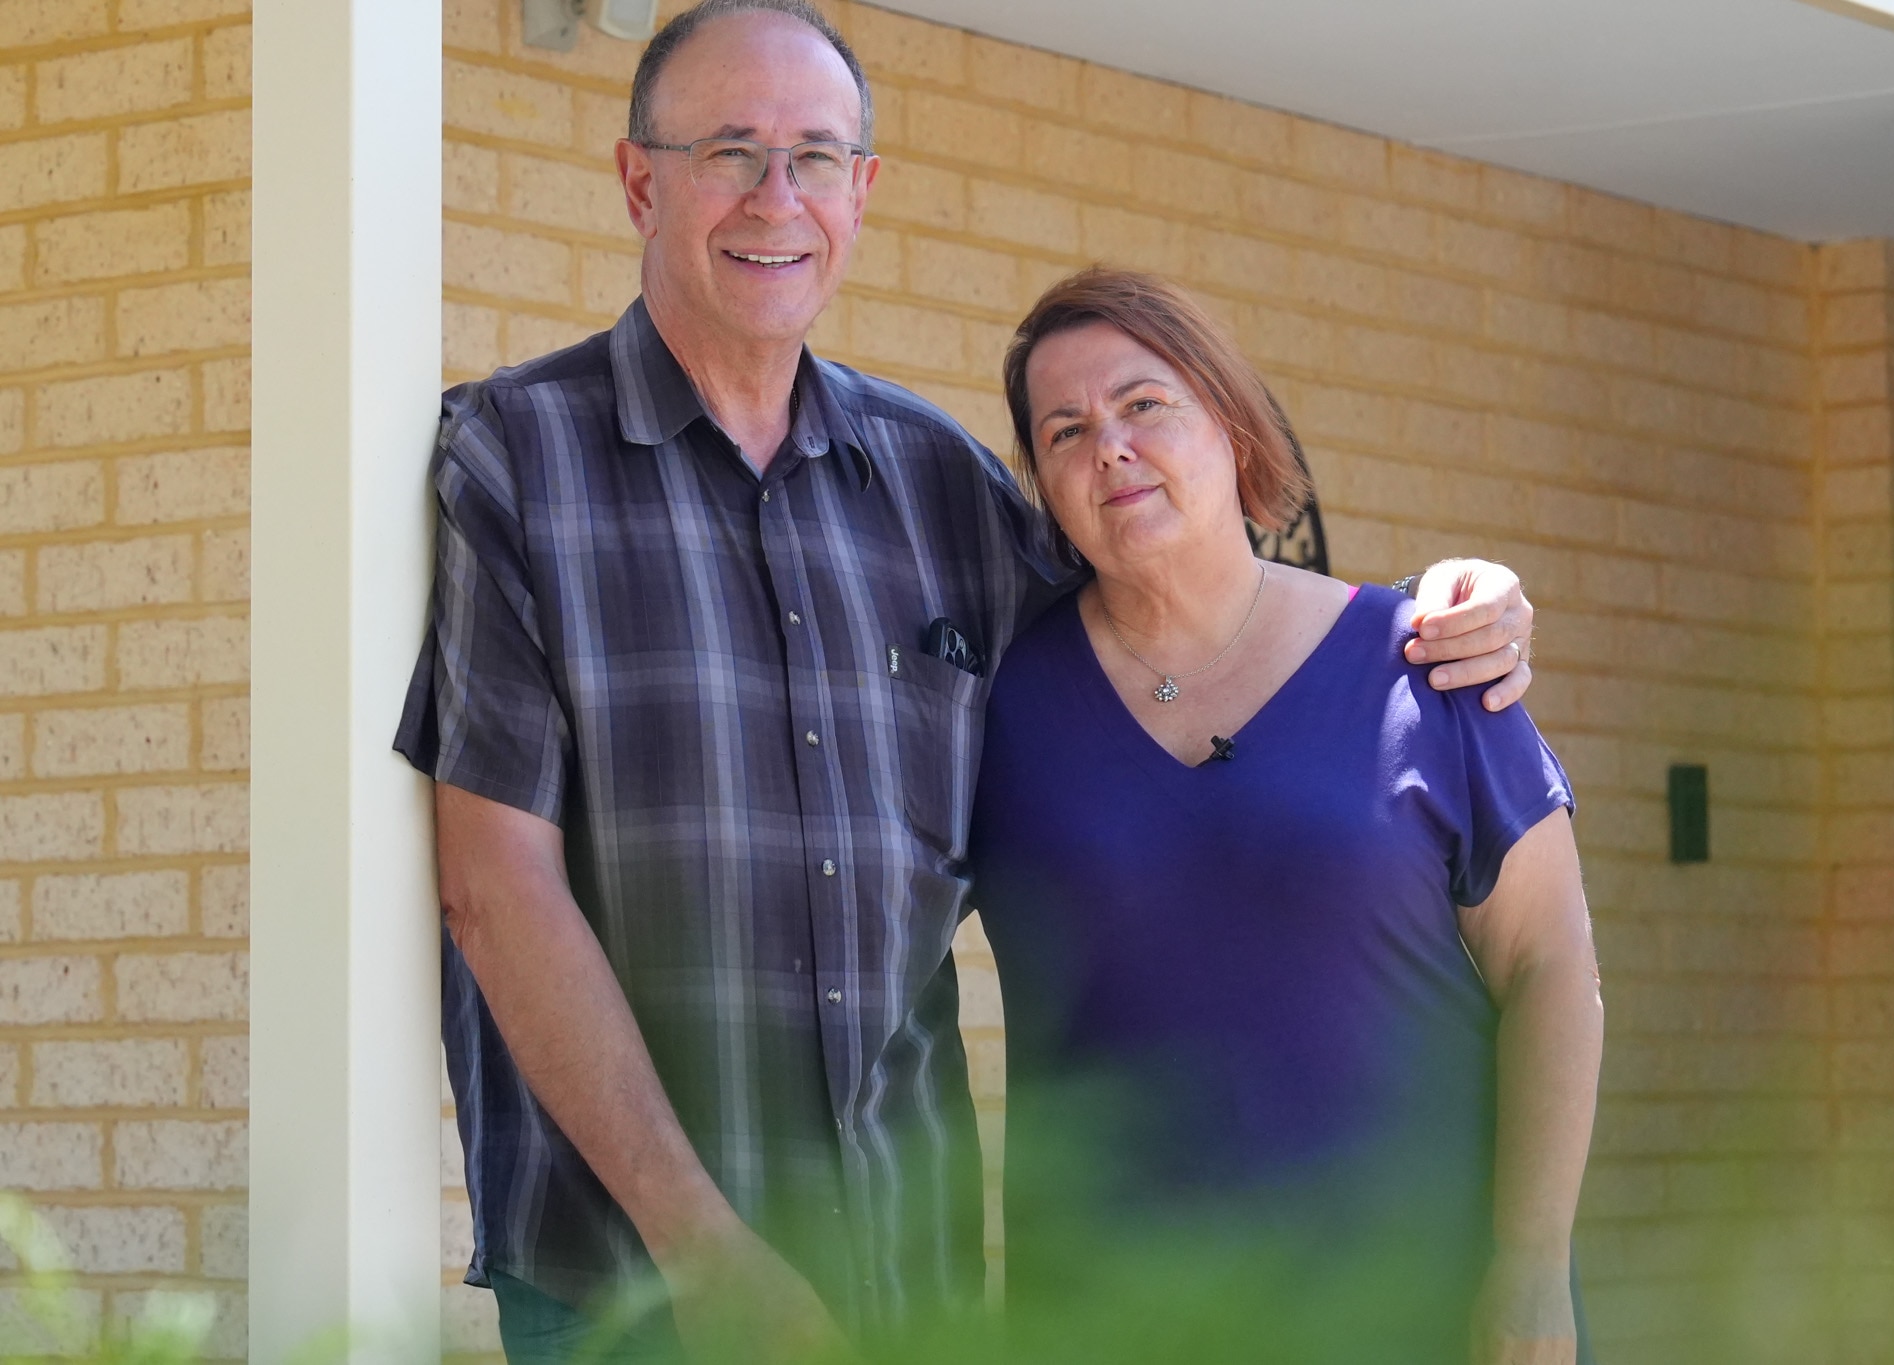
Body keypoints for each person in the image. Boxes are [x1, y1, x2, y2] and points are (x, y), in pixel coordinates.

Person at [395, 3, 1540, 1360]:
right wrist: (702, 1250)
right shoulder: (516, 458)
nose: (780, 197)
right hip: (630, 1291)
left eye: (817, 157)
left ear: (863, 193)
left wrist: (1425, 612)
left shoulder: (944, 486)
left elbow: (1178, 630)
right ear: (641, 178)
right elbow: (494, 887)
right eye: (731, 152)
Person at [968, 268, 1603, 1365]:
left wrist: (1531, 1266)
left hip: (1423, 1309)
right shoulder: (997, 703)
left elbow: (1549, 968)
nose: (1106, 446)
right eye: (1062, 430)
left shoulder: (1426, 662)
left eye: (1142, 404)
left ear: (1226, 421)